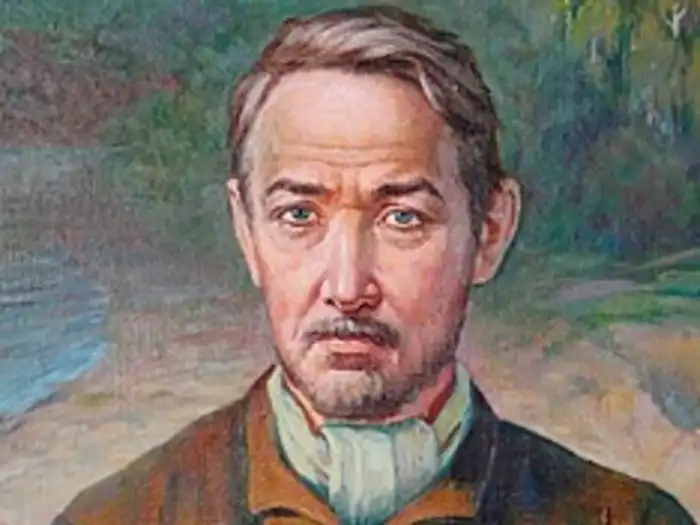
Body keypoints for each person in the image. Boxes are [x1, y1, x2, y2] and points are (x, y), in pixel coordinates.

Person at [52, 5, 696, 525]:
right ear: (246, 232)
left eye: (402, 218)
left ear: (491, 231)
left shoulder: (627, 518)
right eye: (299, 215)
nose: (347, 287)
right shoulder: (116, 516)